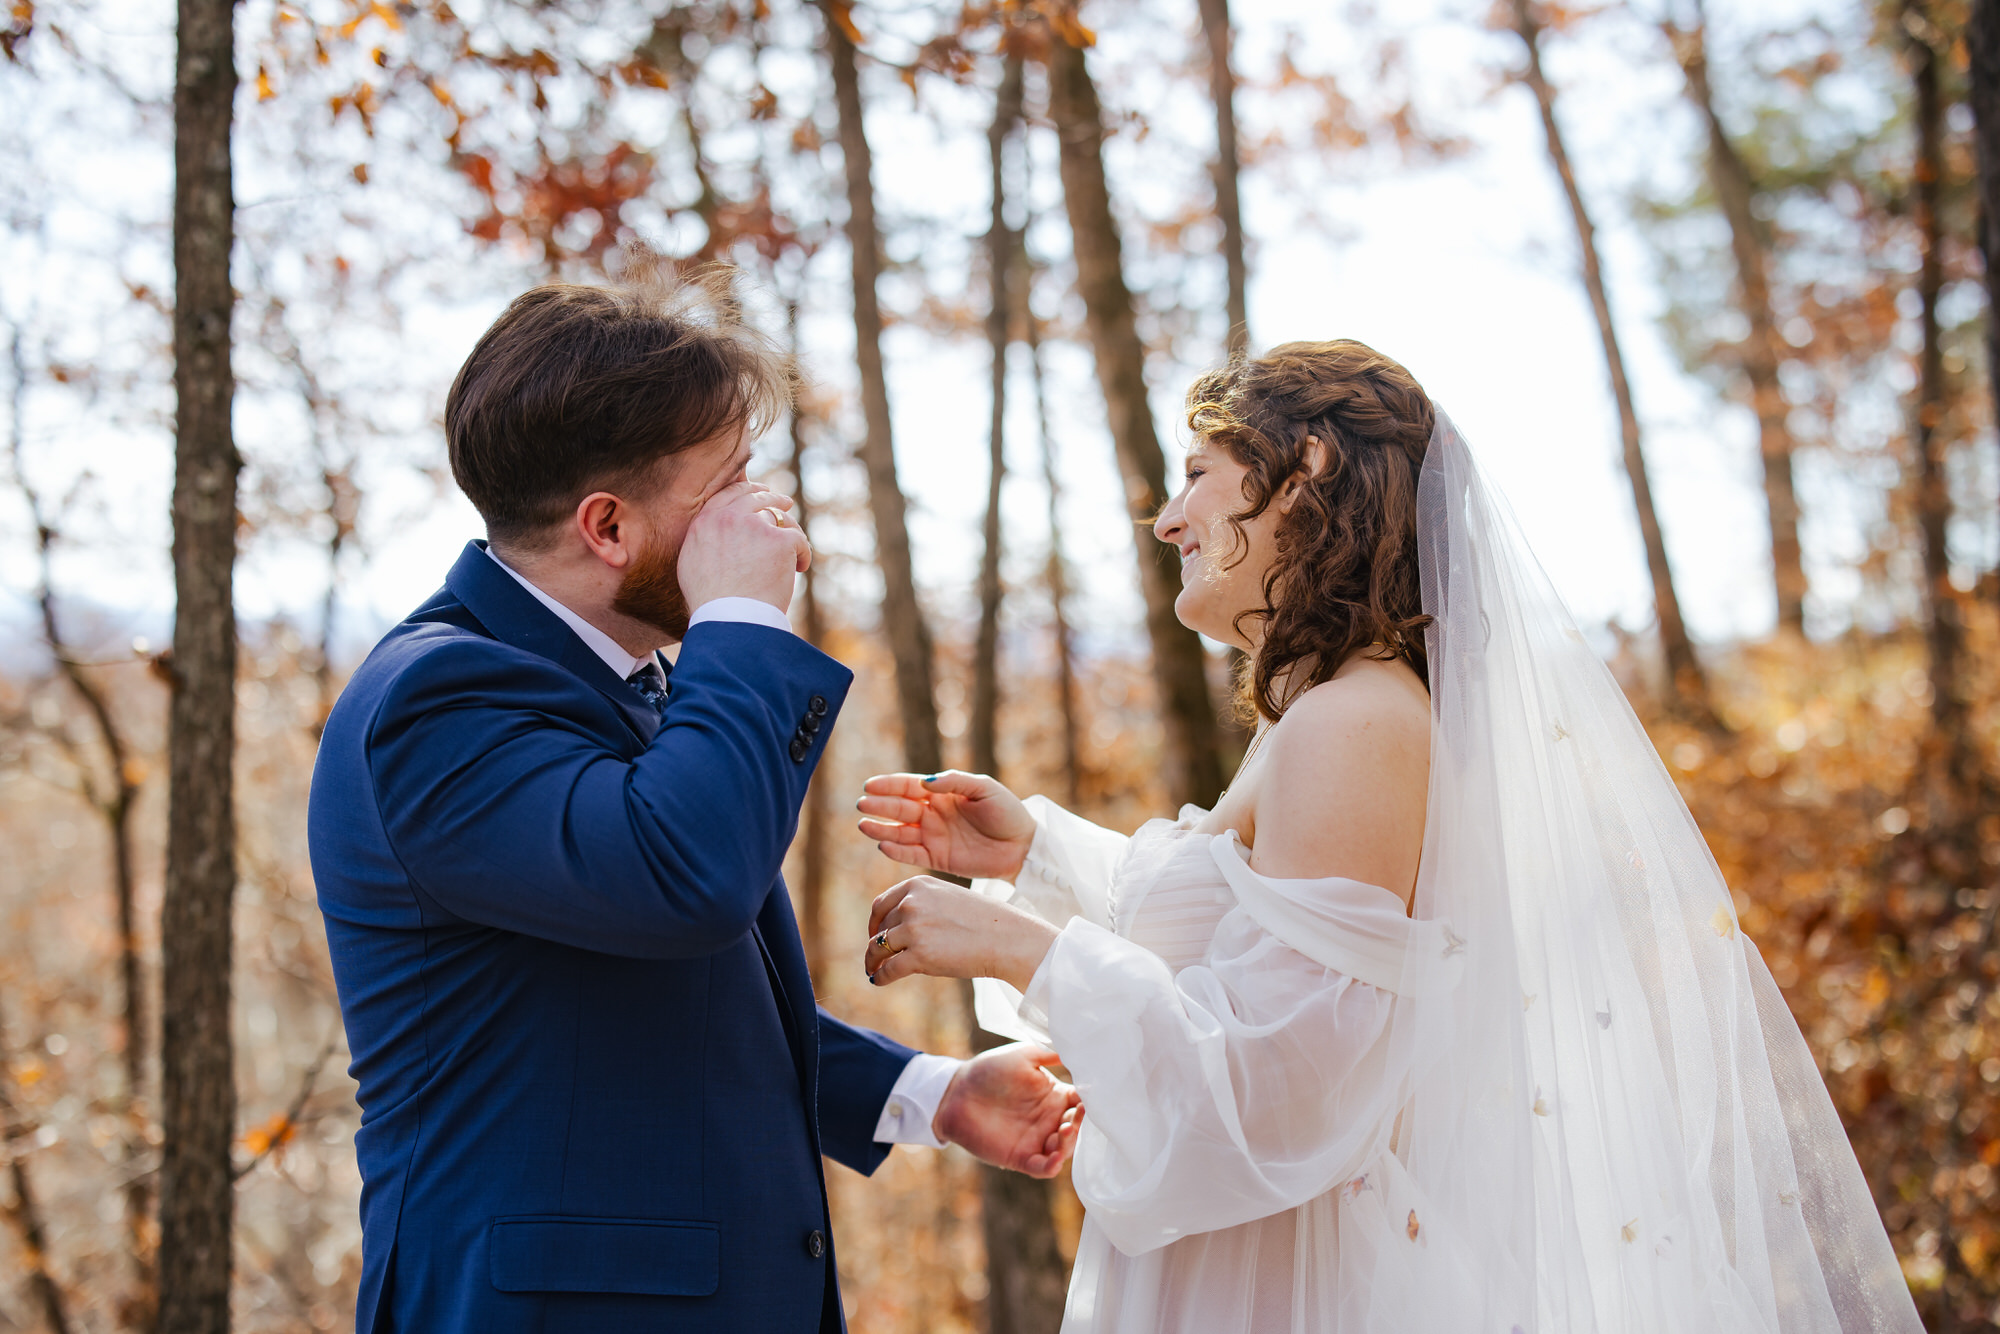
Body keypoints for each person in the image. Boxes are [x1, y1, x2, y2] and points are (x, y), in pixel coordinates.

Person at [856, 341, 1924, 1333]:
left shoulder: (1352, 720)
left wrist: (1016, 949)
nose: (1168, 518)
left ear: (1304, 466)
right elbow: (1245, 945)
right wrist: (1026, 853)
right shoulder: (1321, 711)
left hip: (1298, 1282)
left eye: (1196, 474)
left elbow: (1288, 1080)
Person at [307, 266, 1079, 1334]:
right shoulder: (439, 699)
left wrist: (928, 1094)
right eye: (729, 484)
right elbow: (684, 880)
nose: (767, 514)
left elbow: (659, 999)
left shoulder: (617, 677)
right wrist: (739, 620)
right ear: (608, 527)